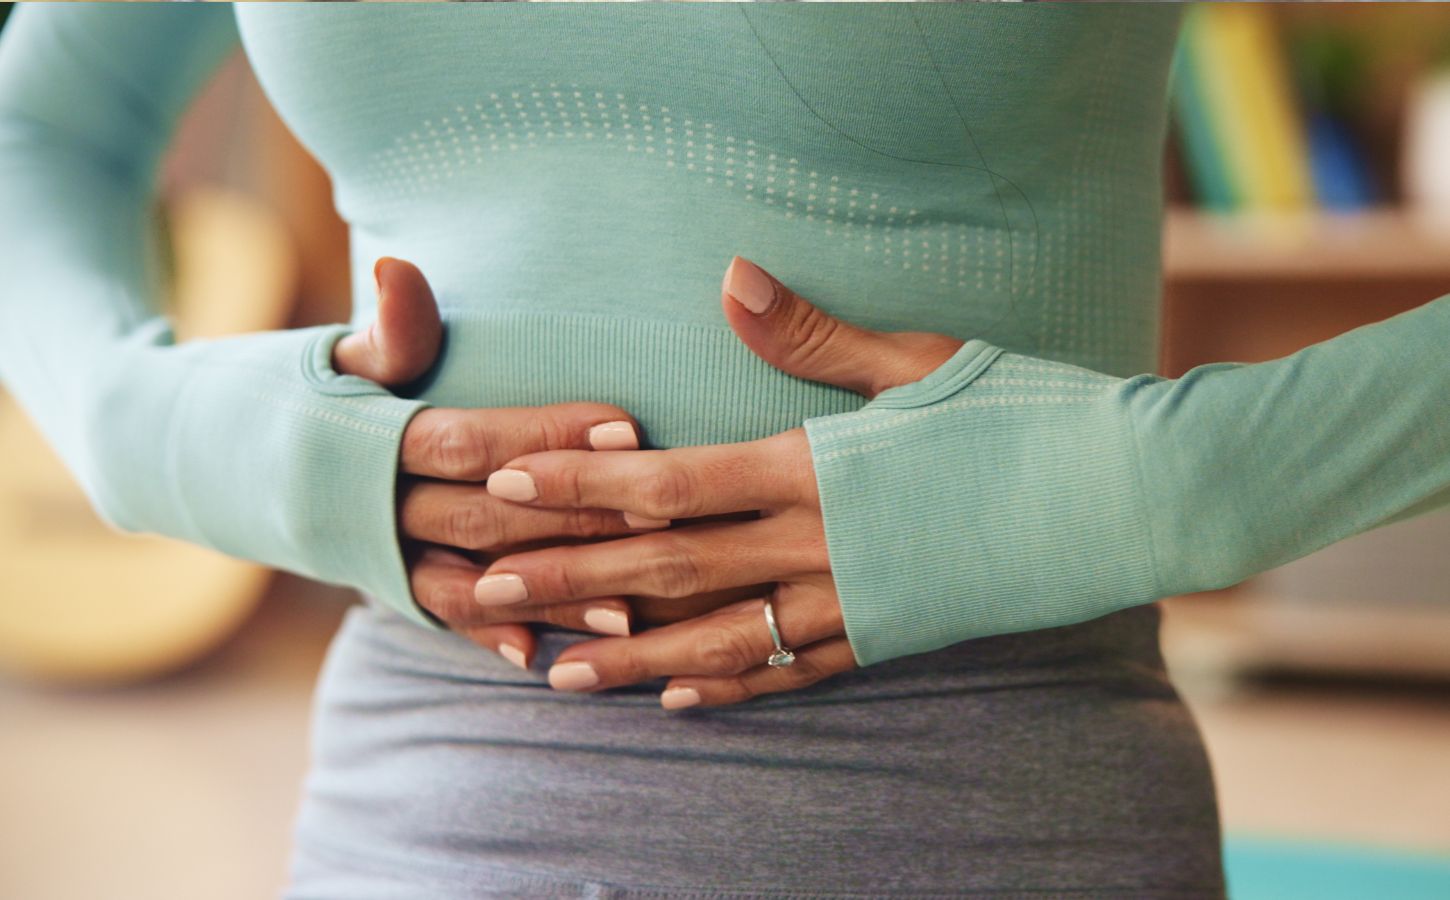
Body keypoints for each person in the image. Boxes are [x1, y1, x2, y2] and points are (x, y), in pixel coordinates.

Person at [3, 3, 1448, 897]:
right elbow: (38, 124)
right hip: (426, 810)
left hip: (984, 804)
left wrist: (1154, 485)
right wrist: (171, 436)